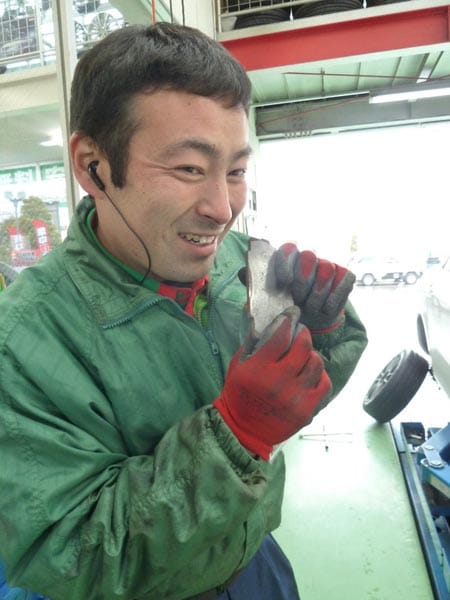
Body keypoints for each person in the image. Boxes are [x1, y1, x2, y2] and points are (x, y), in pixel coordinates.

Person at [0, 22, 367, 600]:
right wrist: (236, 435)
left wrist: (318, 336)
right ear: (93, 165)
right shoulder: (23, 343)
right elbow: (72, 552)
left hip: (256, 561)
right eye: (190, 169)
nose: (223, 208)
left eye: (236, 170)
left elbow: (291, 401)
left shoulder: (241, 262)